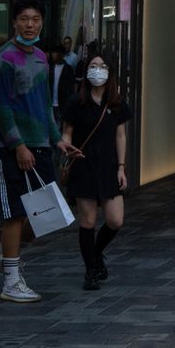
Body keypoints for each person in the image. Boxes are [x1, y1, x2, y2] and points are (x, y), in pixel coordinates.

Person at [0, 0, 80, 303]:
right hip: (11, 148)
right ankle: (11, 282)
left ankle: (9, 256)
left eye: (36, 19)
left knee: (47, 215)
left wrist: (57, 139)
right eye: (24, 19)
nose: (30, 24)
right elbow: (1, 107)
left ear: (42, 22)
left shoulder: (41, 57)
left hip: (40, 145)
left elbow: (43, 105)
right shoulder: (5, 58)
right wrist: (18, 145)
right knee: (15, 215)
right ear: (14, 22)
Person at [61, 49, 133, 291]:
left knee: (115, 220)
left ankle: (95, 255)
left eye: (103, 66)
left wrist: (121, 167)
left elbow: (120, 135)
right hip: (83, 165)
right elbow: (67, 133)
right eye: (93, 65)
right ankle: (91, 271)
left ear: (110, 72)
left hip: (109, 166)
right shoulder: (76, 102)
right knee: (88, 221)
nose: (98, 70)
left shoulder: (116, 102)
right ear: (86, 70)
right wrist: (66, 148)